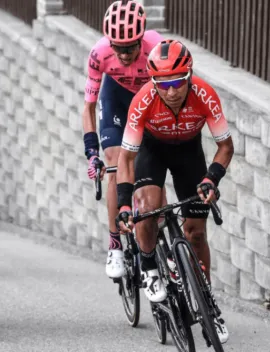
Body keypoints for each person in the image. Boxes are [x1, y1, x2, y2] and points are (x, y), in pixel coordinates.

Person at [115, 39, 233, 343]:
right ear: (153, 82)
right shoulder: (142, 101)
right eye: (162, 84)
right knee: (149, 208)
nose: (171, 91)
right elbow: (126, 159)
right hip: (152, 152)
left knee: (196, 233)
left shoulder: (205, 94)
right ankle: (150, 266)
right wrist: (125, 206)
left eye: (178, 82)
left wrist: (211, 179)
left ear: (189, 76)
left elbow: (225, 147)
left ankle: (207, 304)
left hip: (188, 153)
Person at [82, 0, 163, 279]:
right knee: (116, 164)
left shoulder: (157, 48)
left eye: (130, 47)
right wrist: (91, 151)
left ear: (141, 39)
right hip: (116, 101)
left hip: (150, 102)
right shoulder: (99, 53)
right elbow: (89, 107)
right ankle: (115, 242)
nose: (125, 54)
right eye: (118, 47)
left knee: (152, 163)